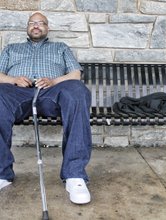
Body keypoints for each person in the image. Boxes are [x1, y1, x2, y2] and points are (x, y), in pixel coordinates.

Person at [0, 12, 92, 204]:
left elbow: (75, 74)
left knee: (77, 91)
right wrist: (13, 80)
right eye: (32, 23)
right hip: (18, 93)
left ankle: (74, 175)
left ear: (47, 28)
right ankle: (1, 173)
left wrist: (54, 81)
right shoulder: (11, 48)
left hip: (52, 91)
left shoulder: (60, 47)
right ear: (27, 27)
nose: (36, 25)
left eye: (41, 23)